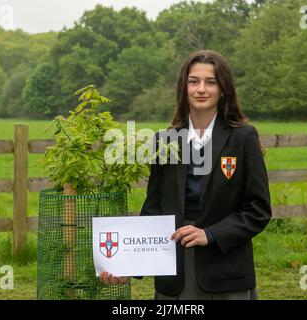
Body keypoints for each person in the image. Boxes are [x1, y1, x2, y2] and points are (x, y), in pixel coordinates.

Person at [99, 50, 272, 300]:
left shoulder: (243, 137)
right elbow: (153, 210)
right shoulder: (165, 141)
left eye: (210, 82)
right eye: (194, 81)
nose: (201, 89)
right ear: (184, 88)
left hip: (225, 273)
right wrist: (130, 265)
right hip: (173, 275)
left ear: (224, 89)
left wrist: (209, 234)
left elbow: (258, 210)